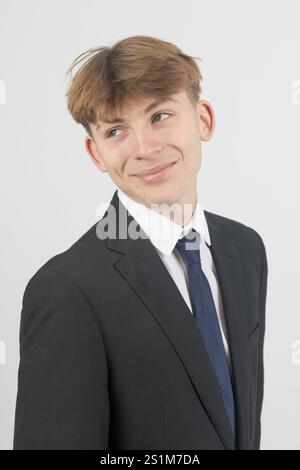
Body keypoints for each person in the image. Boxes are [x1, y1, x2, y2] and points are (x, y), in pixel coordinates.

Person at [13, 35, 268, 450]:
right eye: (116, 130)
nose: (145, 148)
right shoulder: (66, 290)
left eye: (160, 116)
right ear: (96, 154)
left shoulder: (245, 249)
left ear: (203, 119)